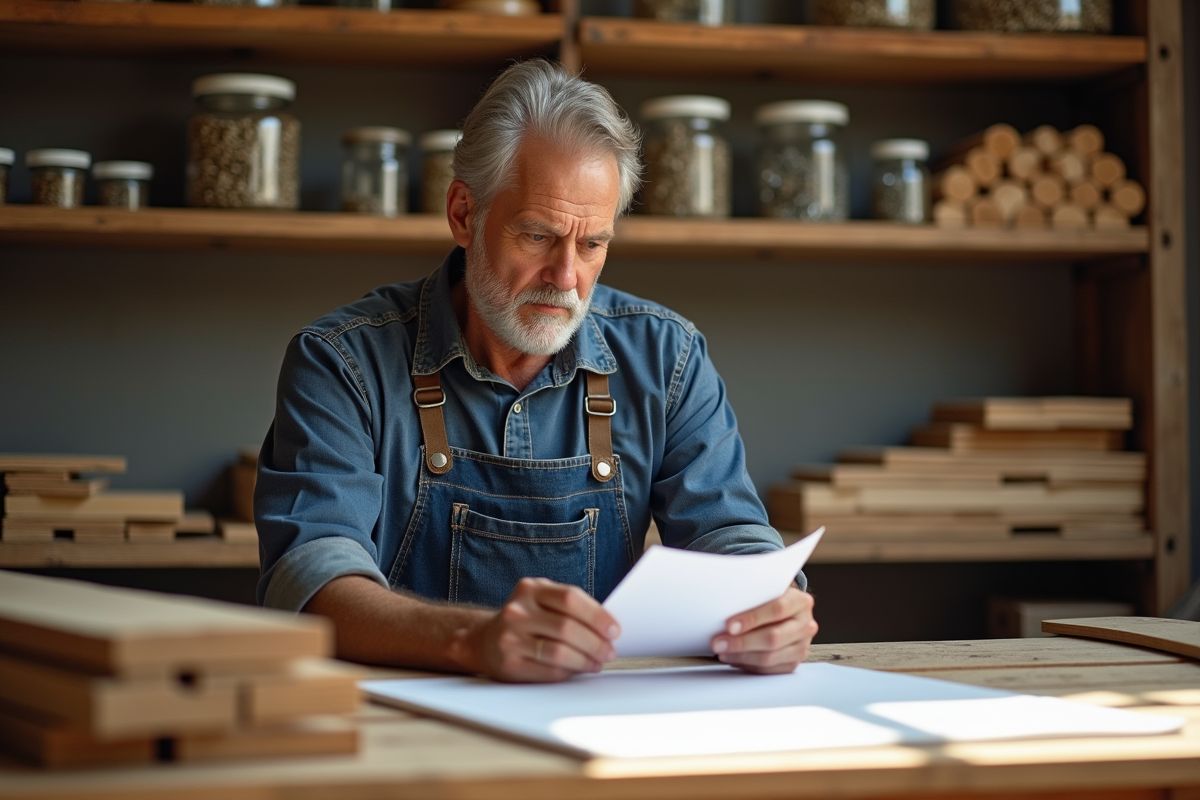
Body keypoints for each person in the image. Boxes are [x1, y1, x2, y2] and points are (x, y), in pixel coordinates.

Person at [255, 59, 817, 683]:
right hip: (401, 726)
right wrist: (471, 639)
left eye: (593, 244)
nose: (567, 277)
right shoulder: (342, 361)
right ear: (464, 214)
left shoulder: (667, 357)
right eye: (537, 236)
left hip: (596, 723)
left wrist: (773, 604)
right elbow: (310, 578)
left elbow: (732, 534)